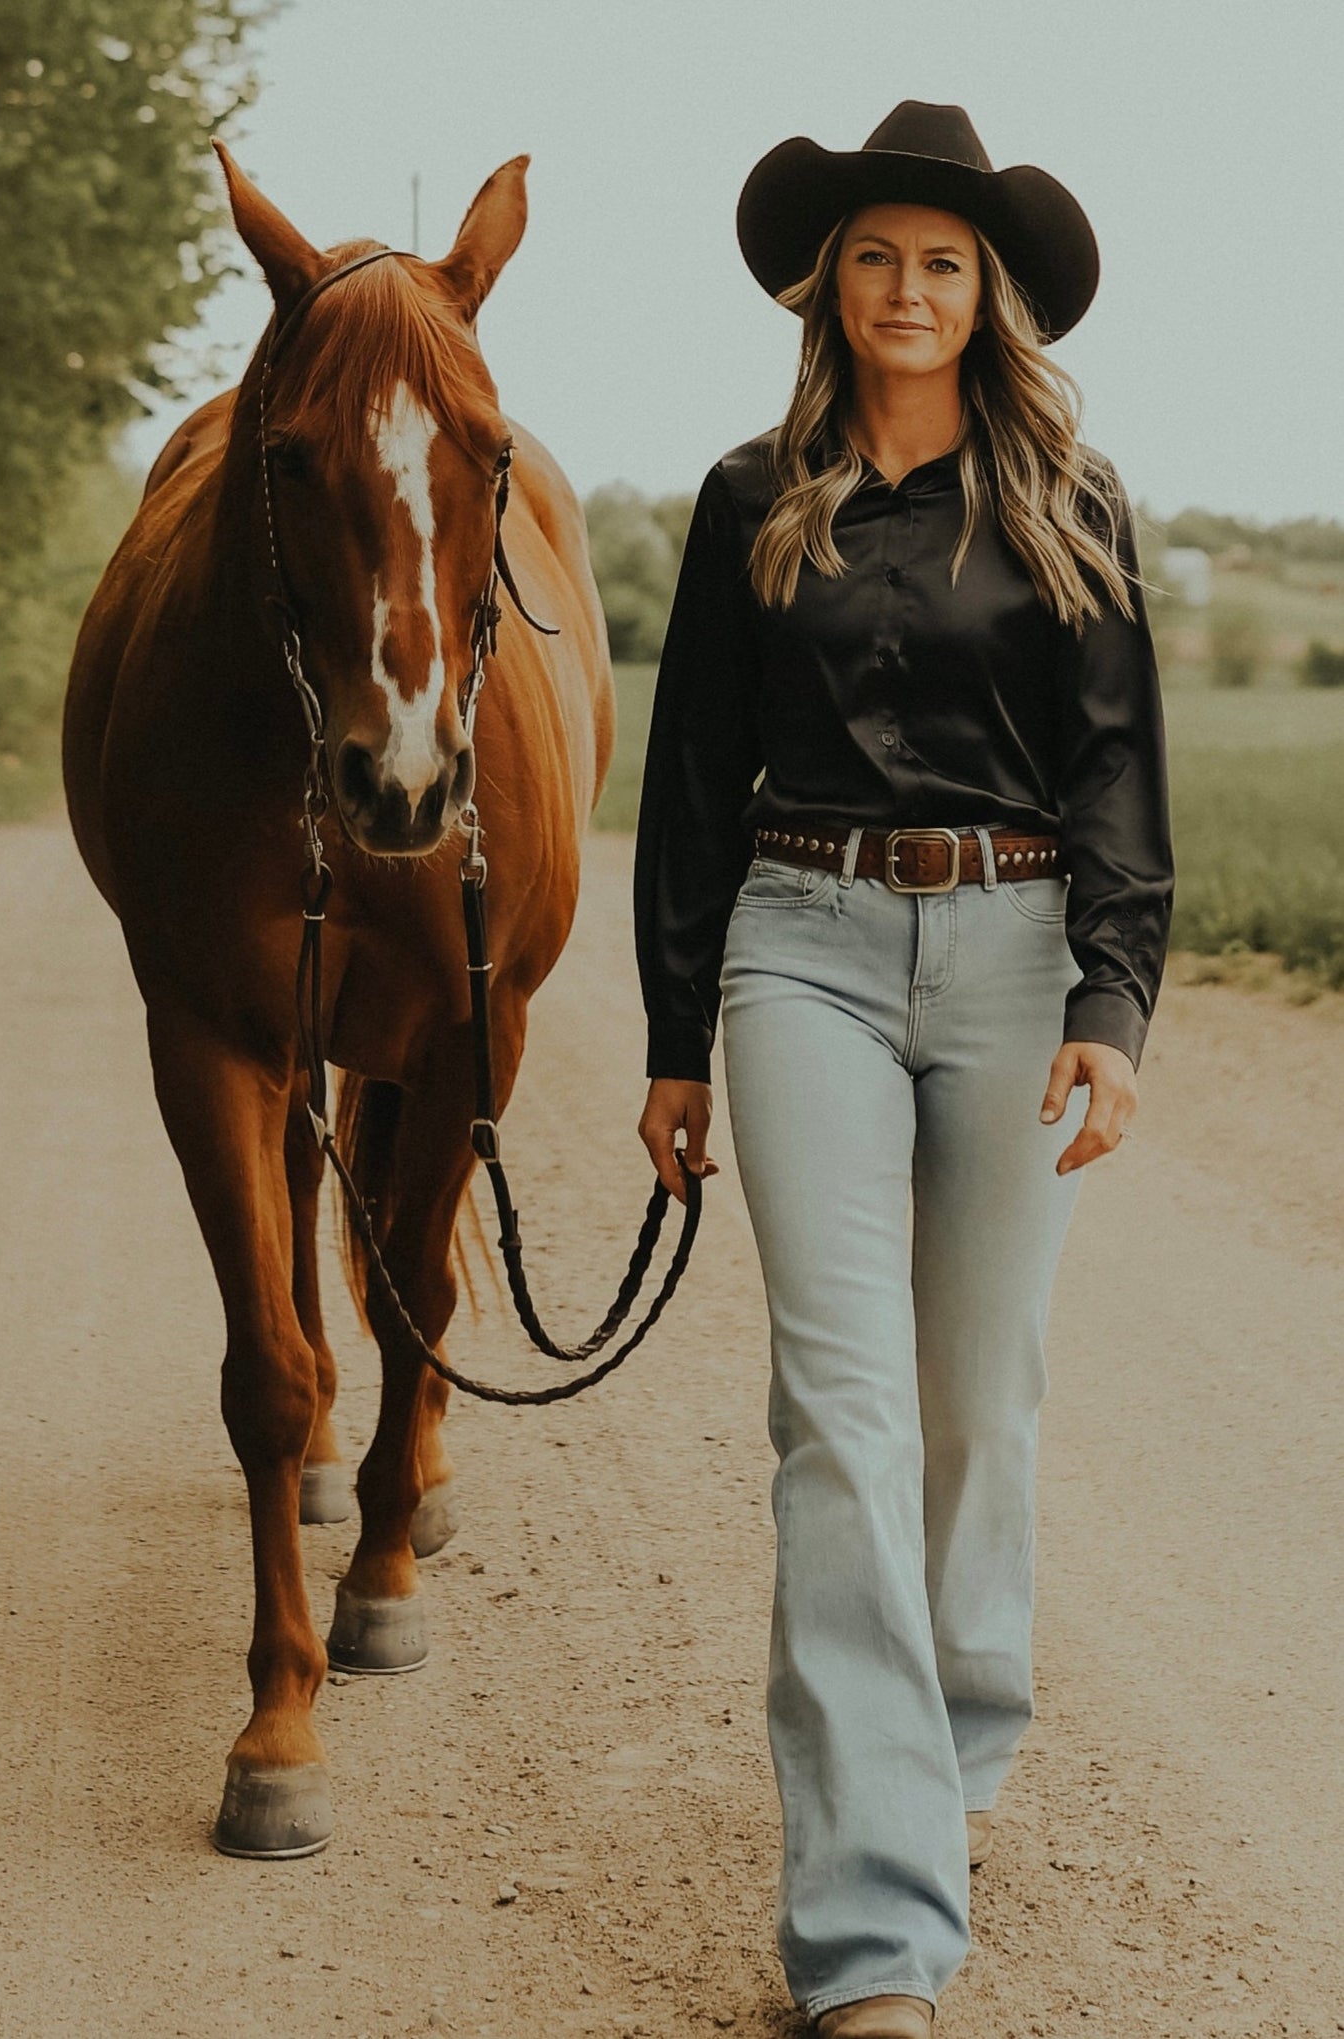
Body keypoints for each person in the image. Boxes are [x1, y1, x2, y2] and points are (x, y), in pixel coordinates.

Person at [632, 102, 1174, 2037]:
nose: (909, 290)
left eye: (944, 261)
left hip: (1019, 950)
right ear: (827, 283)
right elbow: (690, 780)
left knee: (973, 1418)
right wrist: (671, 1039)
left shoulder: (1070, 499)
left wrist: (1113, 1009)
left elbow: (1114, 766)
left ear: (988, 291)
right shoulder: (742, 493)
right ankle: (873, 1939)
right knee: (838, 1421)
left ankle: (937, 1783)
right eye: (877, 255)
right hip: (803, 945)